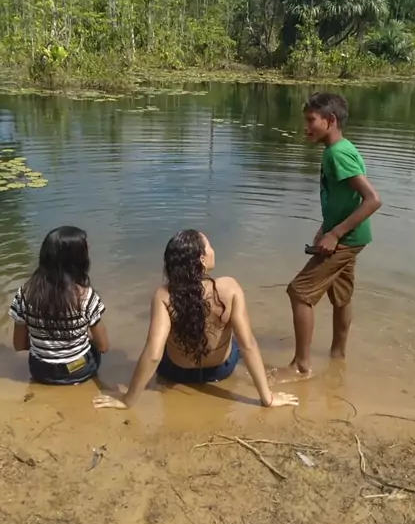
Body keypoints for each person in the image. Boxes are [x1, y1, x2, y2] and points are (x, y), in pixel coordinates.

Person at [93, 229, 298, 410]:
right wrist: (267, 398)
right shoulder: (229, 288)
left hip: (176, 372)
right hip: (220, 371)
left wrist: (128, 400)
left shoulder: (164, 295)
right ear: (201, 259)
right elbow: (248, 345)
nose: (213, 250)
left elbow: (153, 354)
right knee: (236, 342)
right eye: (209, 247)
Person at [281, 92, 382, 378]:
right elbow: (346, 198)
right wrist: (325, 229)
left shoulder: (337, 154)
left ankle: (301, 366)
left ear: (331, 120)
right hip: (352, 236)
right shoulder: (340, 148)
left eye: (311, 120)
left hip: (346, 239)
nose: (306, 127)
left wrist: (336, 234)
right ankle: (338, 356)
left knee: (299, 292)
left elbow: (373, 200)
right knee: (341, 296)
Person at [9, 226, 109, 385]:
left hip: (40, 371)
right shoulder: (85, 296)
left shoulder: (25, 294)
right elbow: (104, 346)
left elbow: (19, 345)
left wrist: (47, 345)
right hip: (78, 371)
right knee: (93, 346)